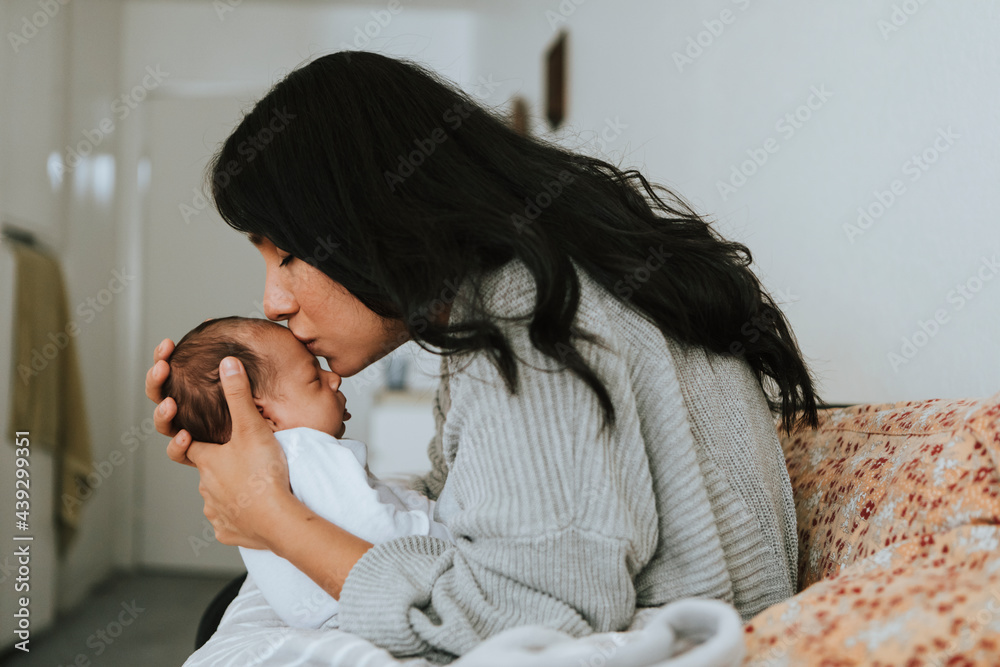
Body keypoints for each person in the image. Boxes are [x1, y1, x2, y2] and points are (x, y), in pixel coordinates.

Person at [145, 50, 820, 664]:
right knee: (228, 605)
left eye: (287, 253)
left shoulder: (536, 317)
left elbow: (527, 617)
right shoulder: (529, 287)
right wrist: (266, 462)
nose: (273, 300)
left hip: (664, 631)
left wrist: (271, 515)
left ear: (368, 213)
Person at [160, 315, 454, 630]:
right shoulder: (304, 448)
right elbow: (382, 532)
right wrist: (445, 534)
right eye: (314, 377)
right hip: (365, 603)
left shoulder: (242, 471)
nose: (334, 379)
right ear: (264, 415)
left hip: (322, 612)